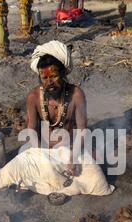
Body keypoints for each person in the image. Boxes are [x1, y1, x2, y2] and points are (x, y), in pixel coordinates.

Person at [25, 40, 87, 175]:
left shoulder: (76, 94)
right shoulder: (33, 97)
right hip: (44, 150)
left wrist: (73, 156)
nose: (49, 82)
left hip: (72, 149)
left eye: (53, 76)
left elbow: (82, 130)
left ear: (63, 73)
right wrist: (42, 155)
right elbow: (31, 129)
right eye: (45, 78)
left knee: (94, 176)